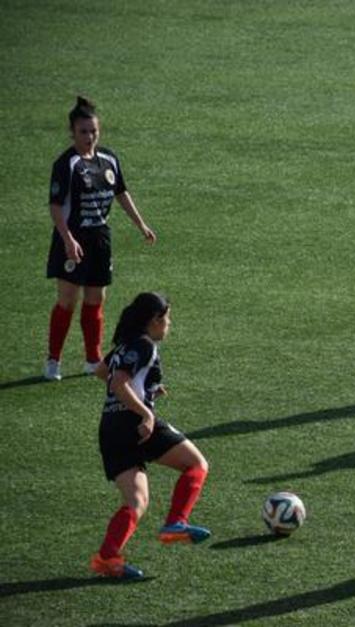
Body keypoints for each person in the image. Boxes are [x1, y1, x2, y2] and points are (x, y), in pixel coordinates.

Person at [89, 292, 210, 580]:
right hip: (134, 424)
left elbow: (103, 371)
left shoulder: (124, 345)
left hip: (110, 428)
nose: (169, 324)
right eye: (167, 318)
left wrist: (145, 391)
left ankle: (107, 558)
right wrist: (145, 412)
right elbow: (118, 383)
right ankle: (176, 522)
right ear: (155, 320)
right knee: (196, 465)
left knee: (136, 501)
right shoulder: (143, 344)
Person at [44, 96, 156, 381]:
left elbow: (121, 193)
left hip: (100, 240)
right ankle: (53, 361)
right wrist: (68, 240)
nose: (89, 137)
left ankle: (92, 359)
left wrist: (141, 224)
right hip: (72, 239)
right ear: (72, 132)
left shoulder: (109, 159)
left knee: (95, 299)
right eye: (83, 131)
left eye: (93, 131)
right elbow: (55, 206)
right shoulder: (66, 164)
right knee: (67, 300)